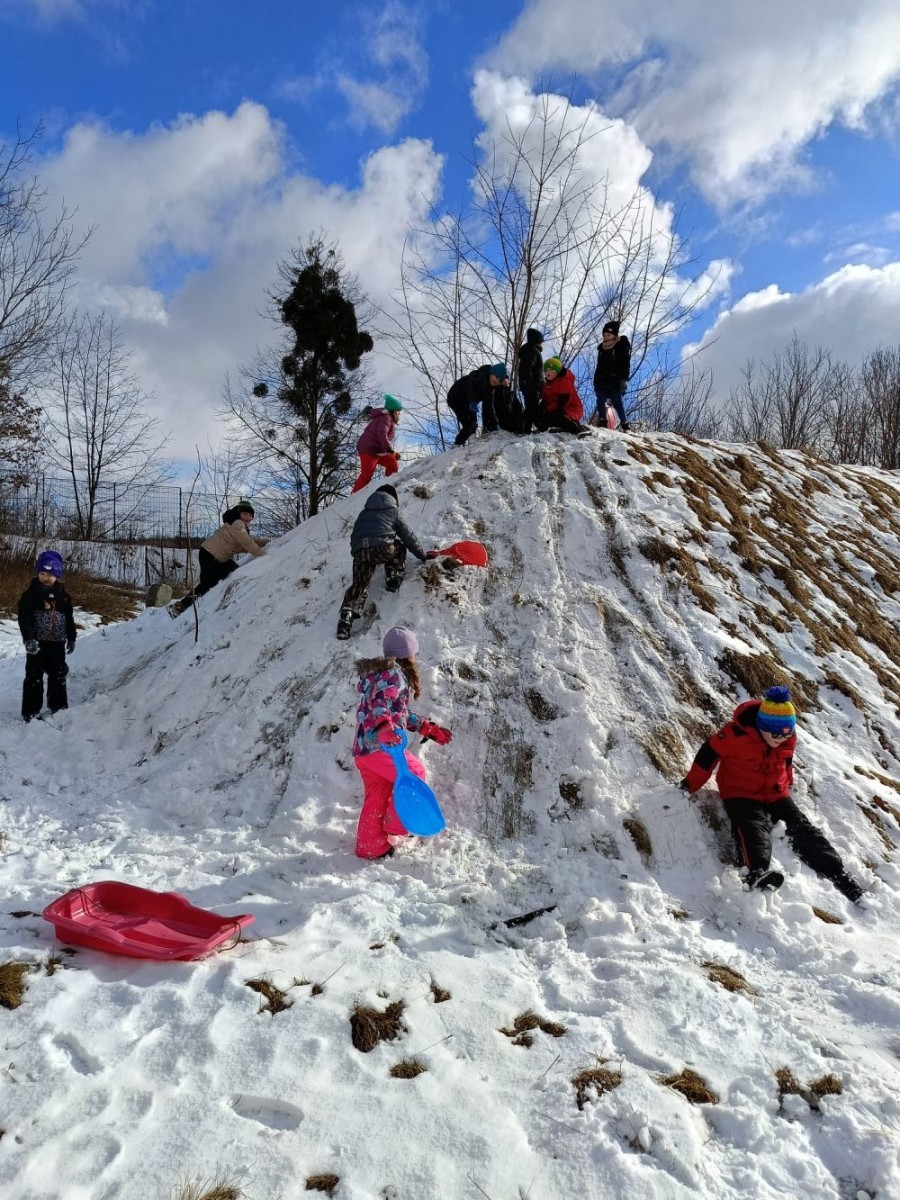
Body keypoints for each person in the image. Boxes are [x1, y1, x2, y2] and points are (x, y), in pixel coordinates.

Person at [680, 685, 864, 901]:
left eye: (787, 734)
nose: (782, 739)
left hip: (776, 792)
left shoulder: (786, 736)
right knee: (752, 827)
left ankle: (838, 874)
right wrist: (689, 785)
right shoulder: (734, 735)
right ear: (762, 726)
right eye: (777, 735)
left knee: (803, 828)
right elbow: (706, 759)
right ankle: (756, 872)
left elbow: (786, 761)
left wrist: (787, 783)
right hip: (740, 792)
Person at [352, 626, 452, 859]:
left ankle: (370, 846)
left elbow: (400, 714)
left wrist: (428, 728)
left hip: (364, 751)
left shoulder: (380, 675)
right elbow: (381, 706)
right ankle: (398, 825)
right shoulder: (394, 675)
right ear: (409, 654)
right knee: (414, 772)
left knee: (377, 794)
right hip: (380, 747)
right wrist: (385, 727)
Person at [337, 485, 439, 639]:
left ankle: (345, 620)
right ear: (393, 499)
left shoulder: (363, 514)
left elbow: (354, 537)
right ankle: (393, 575)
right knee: (399, 546)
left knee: (359, 585)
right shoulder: (393, 511)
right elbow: (408, 536)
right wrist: (422, 555)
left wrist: (359, 553)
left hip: (360, 554)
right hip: (383, 550)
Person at [169, 499, 268, 617]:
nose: (248, 517)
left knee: (235, 571)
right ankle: (180, 606)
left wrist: (264, 542)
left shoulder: (238, 525)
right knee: (207, 583)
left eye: (250, 515)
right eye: (245, 514)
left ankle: (207, 599)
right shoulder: (238, 524)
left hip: (217, 557)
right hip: (210, 555)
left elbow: (247, 541)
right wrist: (265, 556)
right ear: (238, 513)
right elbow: (247, 543)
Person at [18, 550, 77, 722]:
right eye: (42, 573)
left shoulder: (63, 597)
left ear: (57, 575)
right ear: (38, 574)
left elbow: (69, 618)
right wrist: (29, 638)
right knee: (34, 677)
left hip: (57, 643)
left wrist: (71, 636)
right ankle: (30, 711)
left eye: (50, 574)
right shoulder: (30, 594)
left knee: (58, 675)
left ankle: (58, 707)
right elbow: (24, 617)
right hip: (37, 643)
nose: (45, 577)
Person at [446, 364, 510, 446]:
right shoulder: (480, 376)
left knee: (473, 425)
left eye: (500, 381)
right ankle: (458, 445)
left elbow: (489, 408)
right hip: (456, 397)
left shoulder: (490, 391)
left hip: (470, 401)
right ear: (492, 373)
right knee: (469, 423)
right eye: (497, 377)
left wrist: (494, 424)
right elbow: (469, 386)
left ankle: (461, 443)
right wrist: (472, 401)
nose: (497, 381)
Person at [351, 394, 402, 493]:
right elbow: (381, 433)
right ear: (394, 411)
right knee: (367, 474)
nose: (399, 415)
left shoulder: (387, 418)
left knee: (392, 463)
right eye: (398, 412)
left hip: (378, 449)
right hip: (368, 449)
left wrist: (389, 451)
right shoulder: (386, 418)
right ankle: (354, 495)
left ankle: (388, 487)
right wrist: (390, 450)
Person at [592, 320, 631, 431]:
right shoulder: (601, 349)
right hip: (601, 380)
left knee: (618, 403)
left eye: (608, 334)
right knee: (600, 399)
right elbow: (598, 367)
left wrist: (624, 380)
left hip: (615, 381)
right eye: (604, 334)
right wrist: (596, 382)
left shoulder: (621, 347)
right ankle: (603, 420)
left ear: (614, 335)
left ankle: (624, 423)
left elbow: (625, 365)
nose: (606, 337)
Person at [538, 357, 590, 437]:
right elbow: (545, 400)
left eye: (551, 369)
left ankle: (578, 429)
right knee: (543, 419)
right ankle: (560, 427)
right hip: (555, 409)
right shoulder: (546, 386)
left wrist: (548, 409)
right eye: (546, 370)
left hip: (572, 409)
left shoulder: (564, 382)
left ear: (557, 371)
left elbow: (563, 402)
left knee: (559, 415)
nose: (548, 372)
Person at [518, 328, 545, 434]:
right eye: (541, 342)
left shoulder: (531, 350)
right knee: (532, 407)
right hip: (532, 385)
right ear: (537, 341)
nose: (542, 344)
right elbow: (527, 368)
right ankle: (523, 428)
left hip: (532, 385)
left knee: (531, 407)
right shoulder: (532, 351)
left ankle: (525, 428)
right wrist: (527, 383)